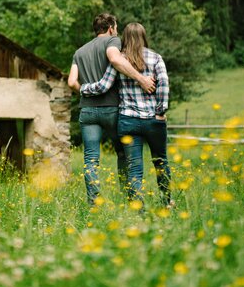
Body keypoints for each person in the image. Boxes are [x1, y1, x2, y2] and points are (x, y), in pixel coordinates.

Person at [80, 22, 172, 209]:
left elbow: (103, 86)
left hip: (128, 120)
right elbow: (163, 86)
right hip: (153, 121)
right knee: (160, 161)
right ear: (143, 36)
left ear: (125, 39)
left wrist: (83, 88)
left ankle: (138, 208)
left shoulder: (121, 61)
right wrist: (161, 111)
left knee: (134, 168)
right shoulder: (155, 58)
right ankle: (166, 202)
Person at [67, 14, 155, 207]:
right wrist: (141, 79)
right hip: (112, 109)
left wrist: (85, 90)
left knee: (91, 159)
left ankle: (94, 202)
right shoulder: (113, 41)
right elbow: (115, 60)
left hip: (87, 111)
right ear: (110, 28)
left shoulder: (79, 52)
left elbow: (71, 82)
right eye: (116, 27)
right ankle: (129, 199)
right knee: (123, 153)